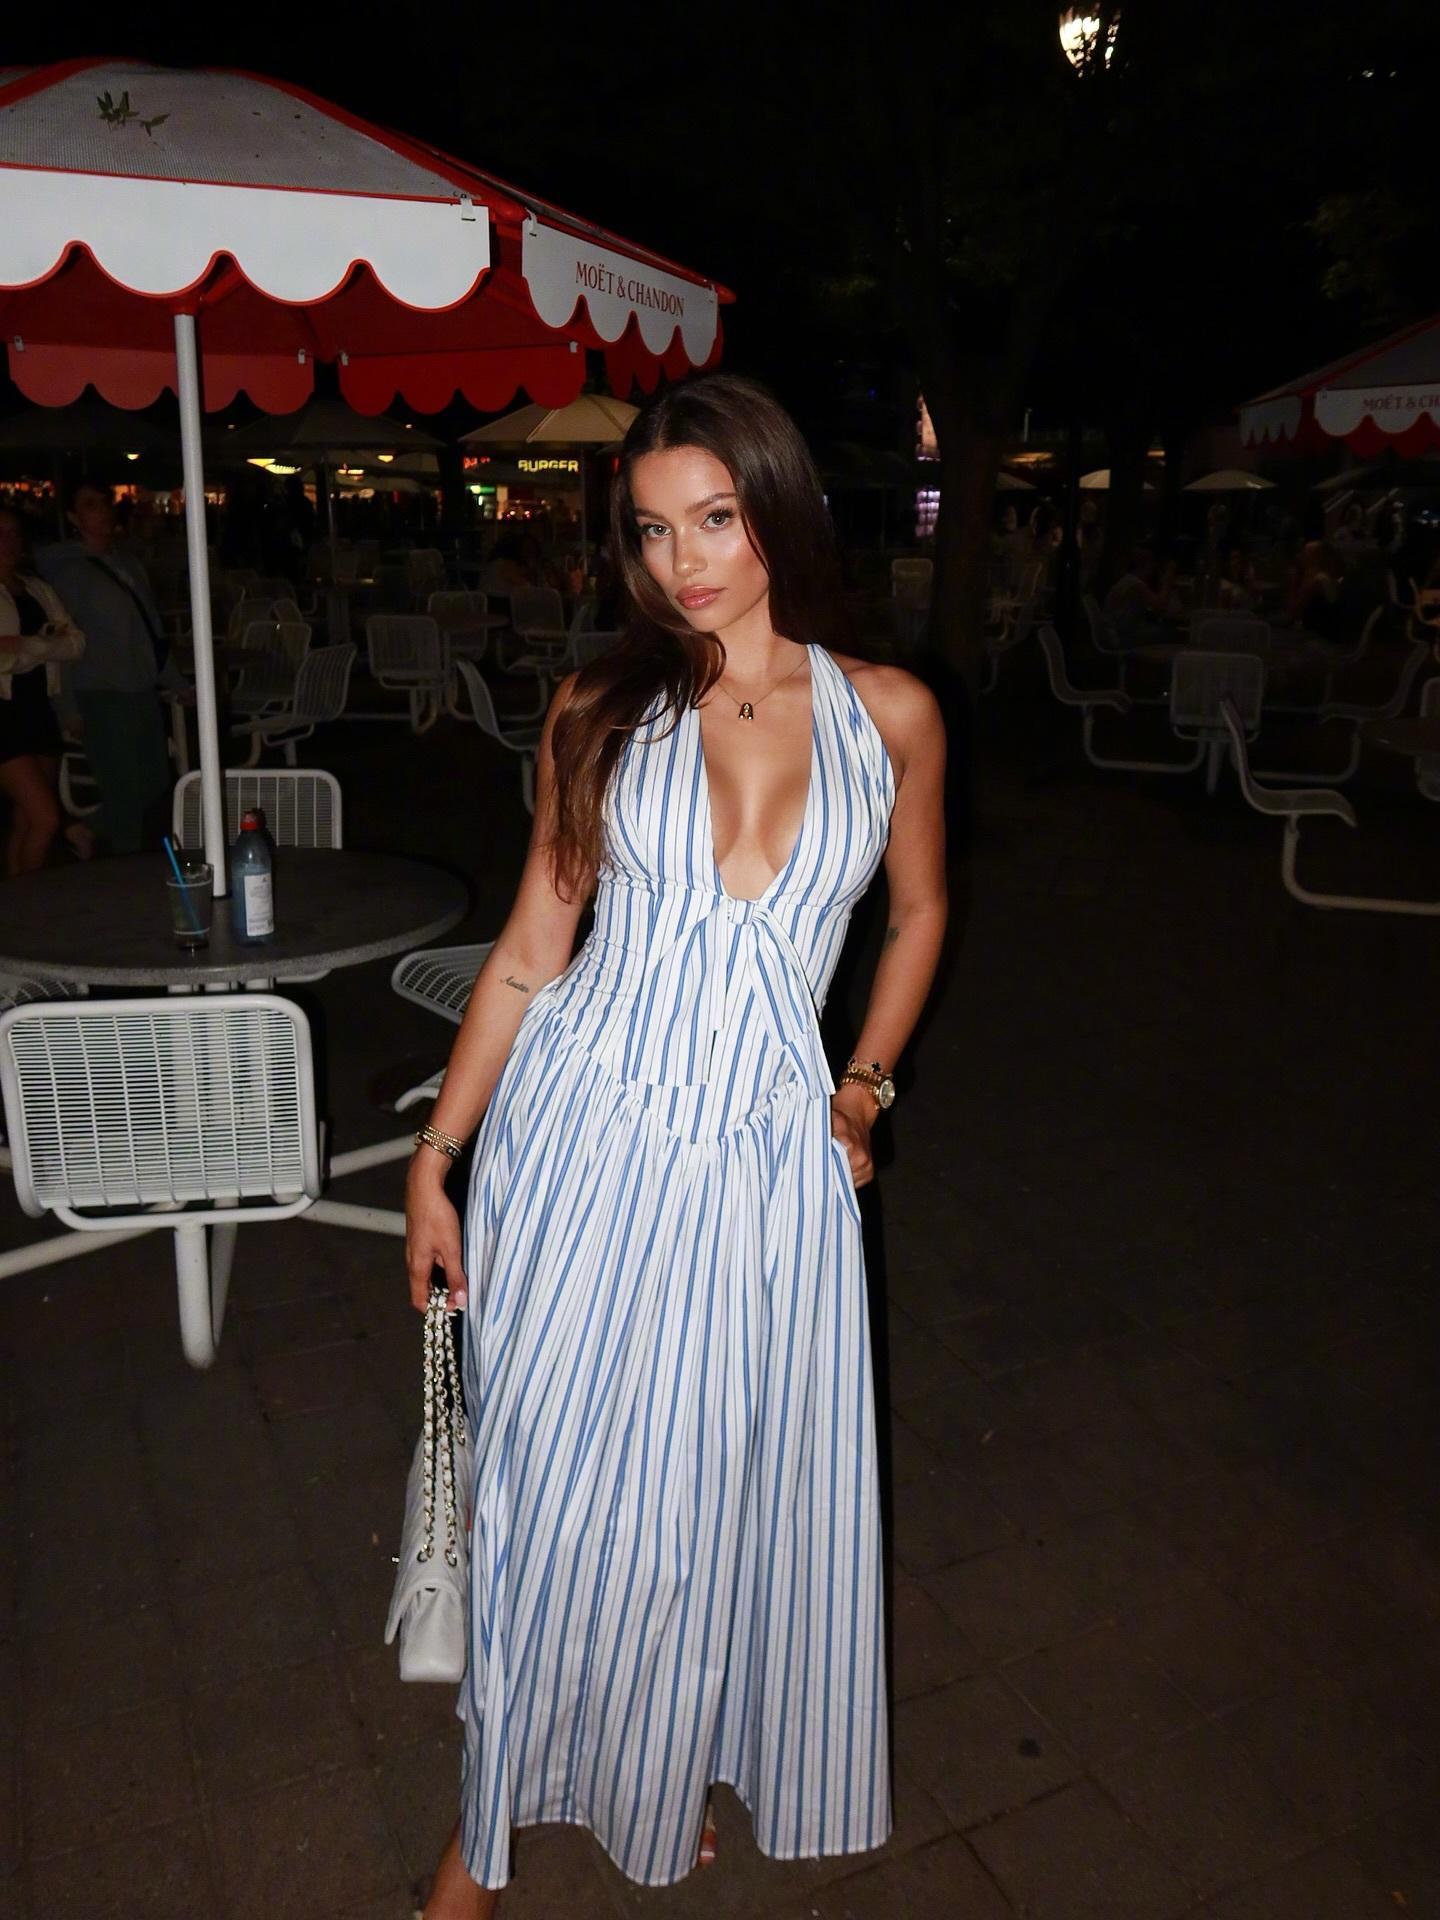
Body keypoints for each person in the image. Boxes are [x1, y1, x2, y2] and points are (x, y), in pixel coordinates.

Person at [404, 372, 947, 1916]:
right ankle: (476, 1847)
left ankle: (654, 1765)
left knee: (707, 1506)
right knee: (549, 1503)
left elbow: (920, 912)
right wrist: (438, 1158)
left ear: (778, 509)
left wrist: (865, 1087)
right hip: (583, 1149)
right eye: (651, 532)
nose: (684, 561)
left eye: (713, 519)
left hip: (765, 1178)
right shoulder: (602, 708)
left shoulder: (890, 715)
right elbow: (530, 953)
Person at [39, 480, 177, 855]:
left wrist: (172, 679)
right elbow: (60, 644)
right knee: (122, 786)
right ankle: (122, 863)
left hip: (140, 687)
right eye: (90, 505)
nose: (102, 511)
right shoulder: (68, 573)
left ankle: (87, 830)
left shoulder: (128, 564)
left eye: (104, 502)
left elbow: (150, 628)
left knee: (154, 779)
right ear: (74, 517)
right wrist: (66, 706)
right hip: (100, 691)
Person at [0, 505, 85, 875]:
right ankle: (33, 898)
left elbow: (75, 643)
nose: (8, 541)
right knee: (45, 817)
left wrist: (23, 646)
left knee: (25, 819)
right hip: (2, 712)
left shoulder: (38, 588)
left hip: (38, 706)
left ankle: (16, 896)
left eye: (13, 533)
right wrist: (42, 646)